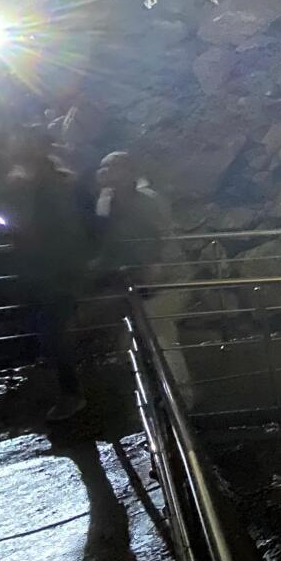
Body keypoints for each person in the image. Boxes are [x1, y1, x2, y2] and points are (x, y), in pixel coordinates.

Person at [0, 127, 97, 421]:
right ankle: (69, 385)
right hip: (51, 268)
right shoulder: (56, 182)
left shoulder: (47, 186)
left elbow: (37, 226)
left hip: (56, 270)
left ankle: (73, 394)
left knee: (53, 331)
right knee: (48, 328)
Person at [93, 151, 194, 388]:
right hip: (138, 279)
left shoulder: (149, 202)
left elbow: (164, 237)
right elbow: (109, 239)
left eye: (112, 167)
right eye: (103, 167)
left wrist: (158, 267)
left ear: (129, 172)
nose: (105, 172)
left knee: (158, 329)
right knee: (149, 333)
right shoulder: (106, 201)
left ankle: (178, 392)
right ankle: (165, 391)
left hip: (167, 277)